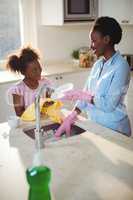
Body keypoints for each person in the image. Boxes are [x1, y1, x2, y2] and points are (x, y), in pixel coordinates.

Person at [55, 16, 131, 137]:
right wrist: (72, 115)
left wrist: (87, 97)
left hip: (115, 129)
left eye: (94, 41)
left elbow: (109, 105)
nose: (91, 46)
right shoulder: (98, 65)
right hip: (97, 126)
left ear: (106, 39)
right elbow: (85, 95)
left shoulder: (121, 66)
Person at [6, 46, 52, 117]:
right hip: (27, 123)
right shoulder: (18, 90)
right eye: (34, 70)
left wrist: (50, 104)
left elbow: (49, 102)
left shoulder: (45, 83)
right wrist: (37, 113)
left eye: (39, 68)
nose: (39, 71)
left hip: (44, 120)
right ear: (23, 72)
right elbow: (19, 113)